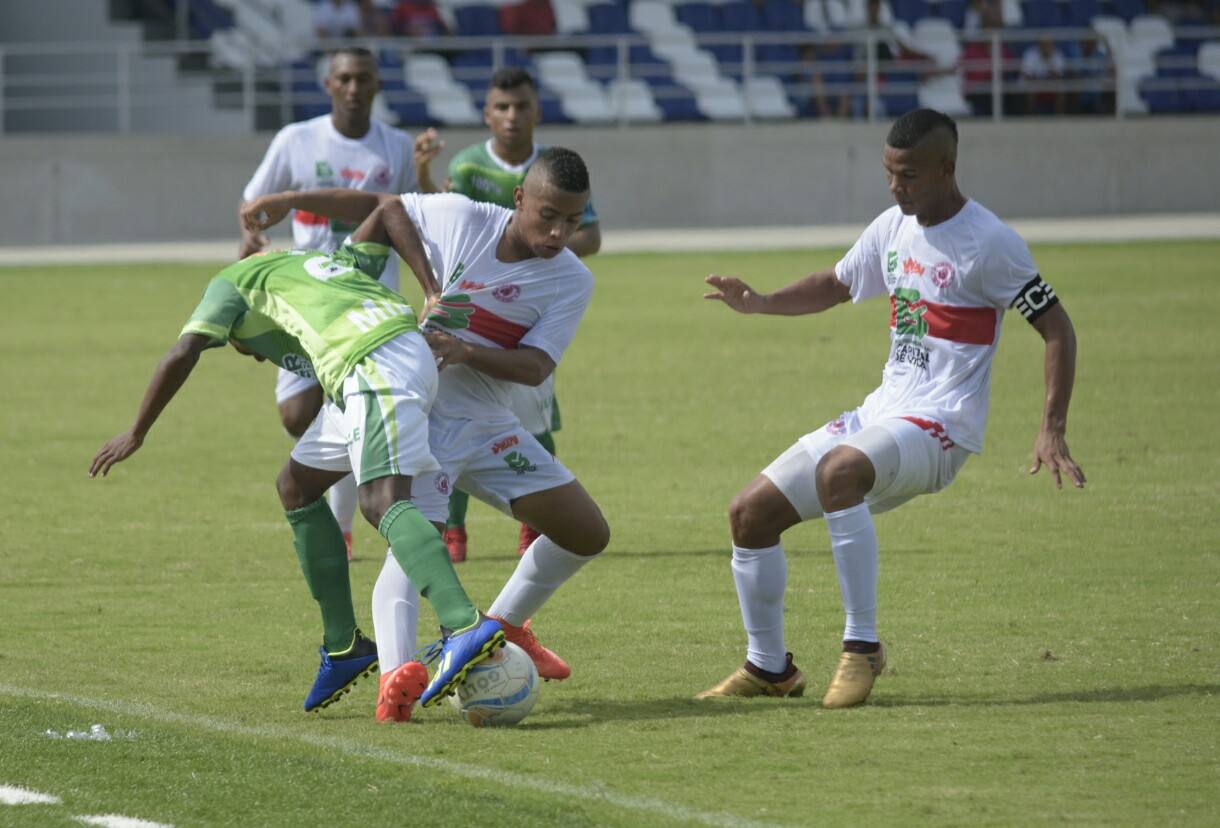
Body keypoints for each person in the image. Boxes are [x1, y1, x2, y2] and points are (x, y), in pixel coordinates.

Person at [697, 109, 1085, 708]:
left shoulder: (992, 243)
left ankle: (861, 648)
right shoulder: (891, 226)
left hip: (942, 427)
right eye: (887, 172)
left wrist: (1051, 428)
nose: (895, 185)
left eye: (907, 174)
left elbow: (1057, 327)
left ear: (946, 168)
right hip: (882, 415)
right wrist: (761, 303)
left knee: (839, 473)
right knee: (749, 514)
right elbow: (838, 283)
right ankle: (768, 668)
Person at [91, 196, 506, 715]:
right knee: (296, 485)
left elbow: (184, 350)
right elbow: (389, 211)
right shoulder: (324, 263)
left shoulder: (233, 283)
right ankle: (343, 646)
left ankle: (463, 623)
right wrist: (427, 286)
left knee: (379, 502)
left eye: (247, 348)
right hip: (377, 366)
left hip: (373, 362)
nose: (254, 355)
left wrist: (137, 430)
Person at [242, 147, 610, 723]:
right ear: (519, 199)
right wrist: (431, 285)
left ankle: (502, 624)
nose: (560, 232)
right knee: (412, 549)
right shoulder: (465, 219)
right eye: (549, 215)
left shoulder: (572, 279)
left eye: (574, 219)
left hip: (489, 425)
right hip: (420, 412)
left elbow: (537, 366)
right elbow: (389, 210)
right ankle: (395, 678)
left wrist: (465, 350)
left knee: (586, 532)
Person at [240, 46, 443, 562]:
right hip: (308, 302)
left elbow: (413, 215)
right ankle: (350, 482)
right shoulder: (296, 140)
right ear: (329, 85)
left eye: (364, 79)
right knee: (295, 414)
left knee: (353, 406)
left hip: (368, 306)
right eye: (345, 78)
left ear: (377, 86)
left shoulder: (396, 145)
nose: (354, 88)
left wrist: (421, 172)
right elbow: (254, 205)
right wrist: (254, 246)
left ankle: (343, 524)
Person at [435, 66, 601, 563]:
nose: (511, 116)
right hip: (473, 312)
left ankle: (536, 523)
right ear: (487, 113)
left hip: (532, 313)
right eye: (502, 107)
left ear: (537, 111)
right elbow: (447, 223)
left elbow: (590, 235)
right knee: (457, 416)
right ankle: (453, 530)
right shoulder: (467, 166)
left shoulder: (560, 171)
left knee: (532, 414)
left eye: (521, 106)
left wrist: (552, 252)